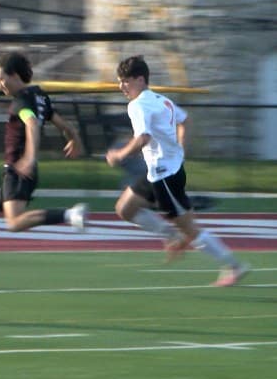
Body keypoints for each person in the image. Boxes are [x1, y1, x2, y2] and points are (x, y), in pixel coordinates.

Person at [0, 52, 87, 285]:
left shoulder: (21, 101)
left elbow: (31, 124)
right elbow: (63, 124)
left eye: (2, 79)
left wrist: (29, 158)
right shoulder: (38, 96)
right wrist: (75, 139)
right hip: (14, 172)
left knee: (14, 222)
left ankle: (70, 214)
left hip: (18, 171)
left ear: (15, 76)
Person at [105, 55, 248, 287]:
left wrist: (120, 155)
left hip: (164, 177)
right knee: (125, 208)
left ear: (140, 80)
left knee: (191, 230)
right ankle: (171, 235)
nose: (121, 86)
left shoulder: (138, 105)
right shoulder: (162, 100)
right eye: (120, 81)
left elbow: (143, 138)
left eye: (125, 81)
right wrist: (181, 148)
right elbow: (186, 120)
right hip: (160, 172)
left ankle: (234, 266)